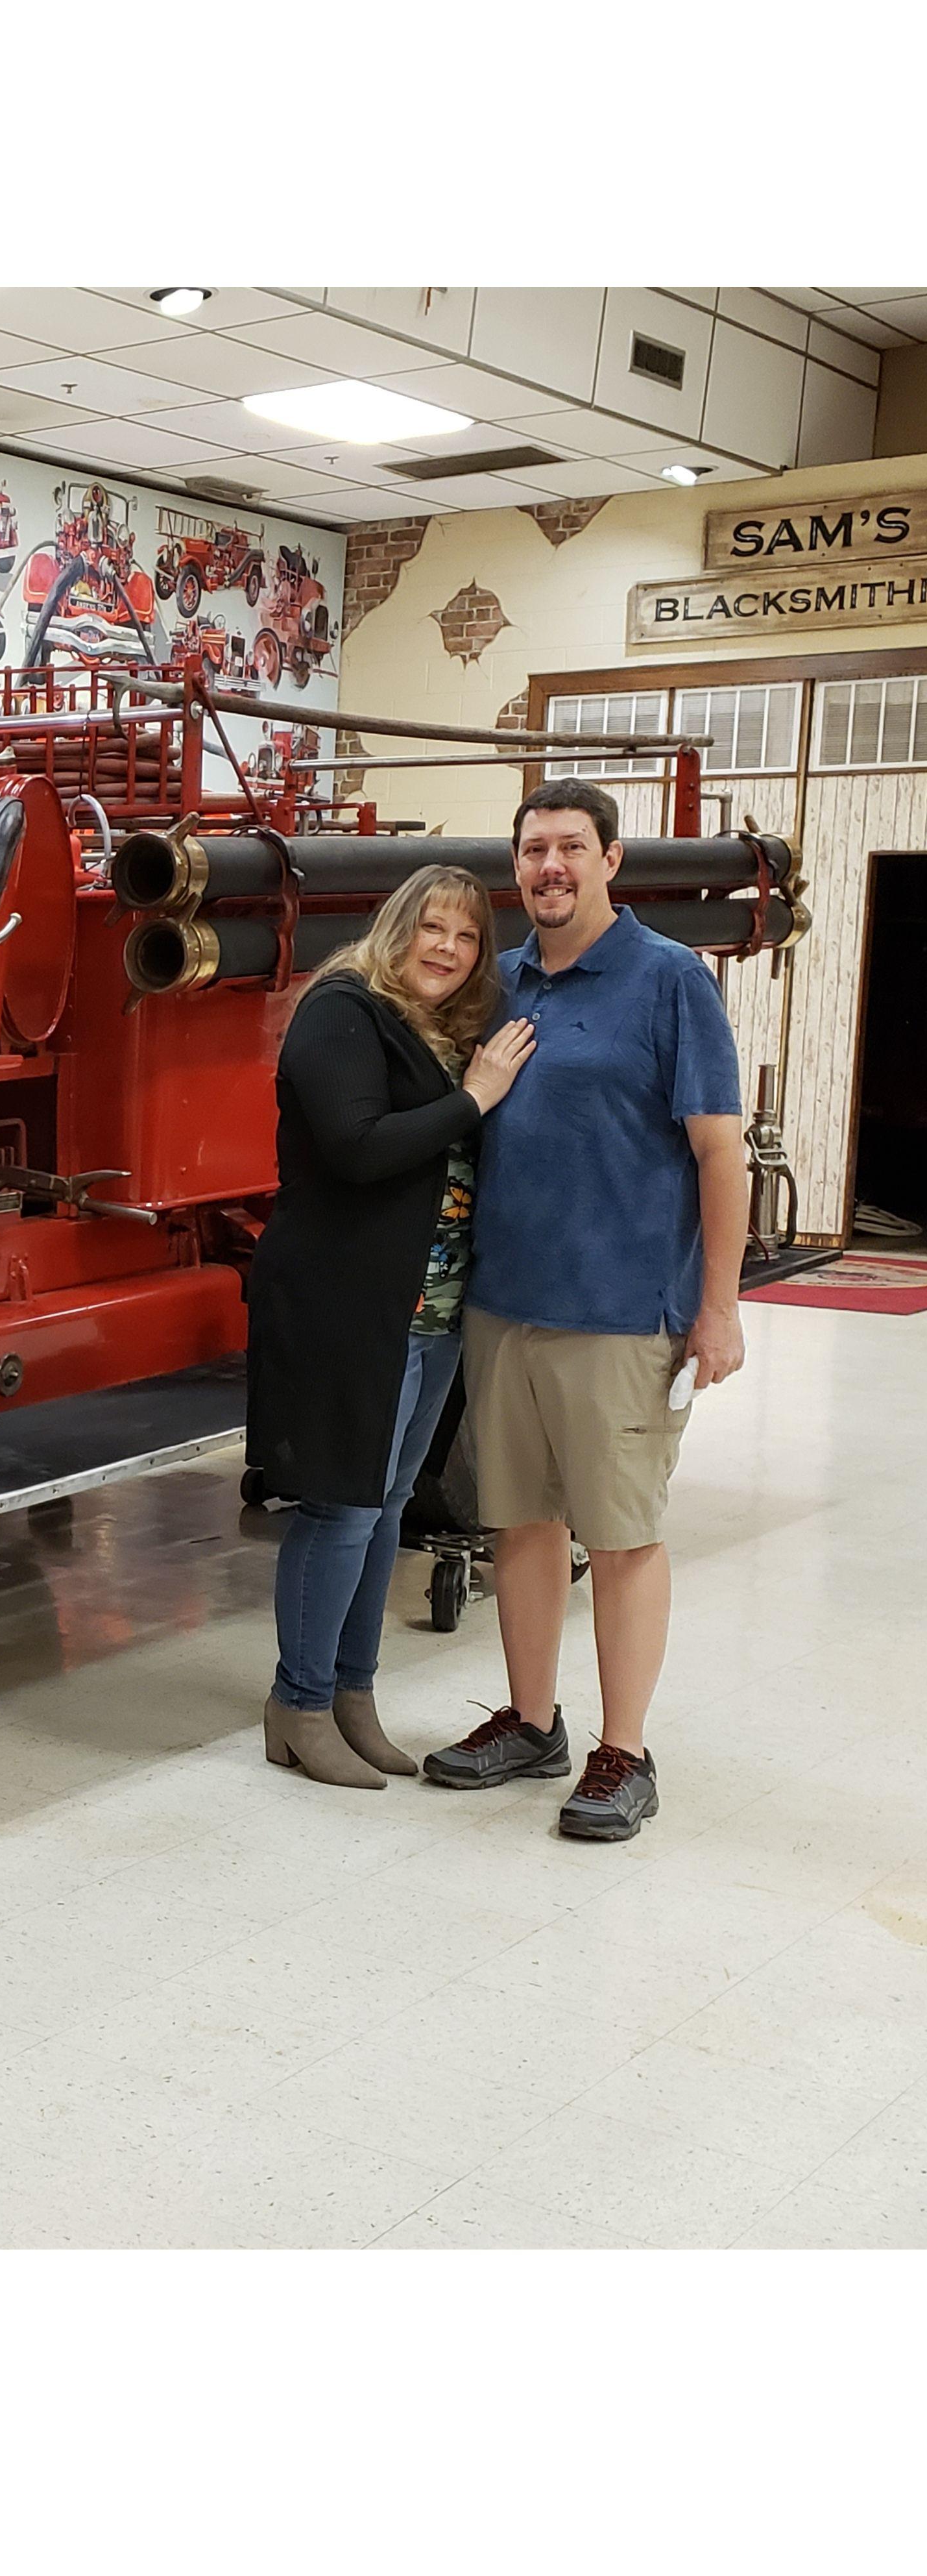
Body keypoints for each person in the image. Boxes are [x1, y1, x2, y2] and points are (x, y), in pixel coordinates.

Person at [421, 779, 749, 1839]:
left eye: (570, 848)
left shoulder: (668, 982)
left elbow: (719, 1152)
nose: (549, 868)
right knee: (521, 1519)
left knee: (620, 1535)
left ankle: (624, 1751)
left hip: (621, 1311)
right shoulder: (502, 980)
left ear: (611, 860)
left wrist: (721, 1309)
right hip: (505, 1302)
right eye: (532, 851)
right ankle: (529, 1722)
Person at [248, 868, 535, 1789]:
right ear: (397, 927)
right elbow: (359, 1147)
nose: (448, 949)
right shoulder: (343, 1010)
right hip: (350, 1307)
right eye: (433, 929)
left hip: (433, 1309)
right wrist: (475, 1099)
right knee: (340, 1507)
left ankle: (352, 1693)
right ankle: (297, 1704)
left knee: (383, 1512)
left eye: (467, 937)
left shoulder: (444, 1034)